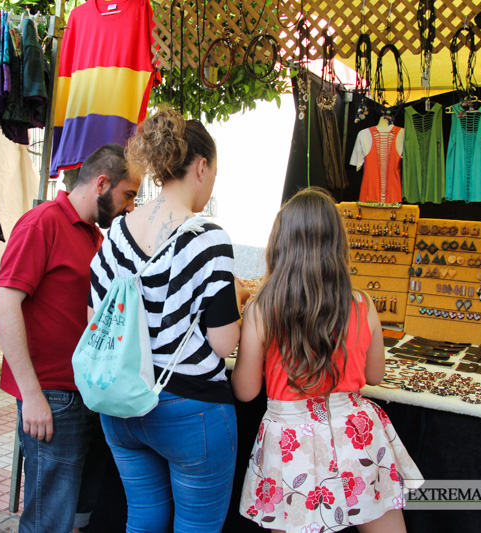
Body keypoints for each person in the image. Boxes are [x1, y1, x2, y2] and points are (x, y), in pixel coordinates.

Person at [88, 108, 245, 533]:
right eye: (214, 172)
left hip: (121, 406)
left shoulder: (114, 236)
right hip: (189, 412)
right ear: (201, 166)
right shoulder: (208, 238)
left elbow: (96, 323)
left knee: (144, 517)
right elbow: (222, 343)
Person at [232, 187, 424, 533]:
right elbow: (375, 375)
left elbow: (246, 391)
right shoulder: (363, 305)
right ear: (338, 244)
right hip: (356, 432)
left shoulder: (261, 310)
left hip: (290, 442)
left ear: (280, 242)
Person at [0, 143, 140, 533]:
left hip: (86, 394)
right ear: (102, 183)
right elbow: (4, 305)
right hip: (52, 397)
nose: (130, 207)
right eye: (129, 195)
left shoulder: (94, 236)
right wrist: (33, 395)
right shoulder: (42, 223)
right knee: (47, 521)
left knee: (75, 517)